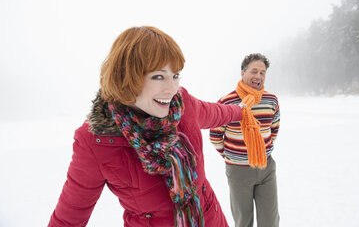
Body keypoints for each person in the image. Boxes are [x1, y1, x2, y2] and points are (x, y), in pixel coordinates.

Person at [48, 26, 244, 227]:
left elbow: (216, 112)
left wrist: (241, 112)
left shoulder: (183, 104)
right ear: (126, 77)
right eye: (158, 77)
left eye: (175, 75)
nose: (171, 89)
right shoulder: (96, 141)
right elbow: (69, 216)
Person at [209, 53, 280, 227]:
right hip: (238, 171)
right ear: (243, 73)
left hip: (266, 168)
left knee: (270, 221)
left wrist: (262, 151)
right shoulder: (227, 102)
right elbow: (215, 134)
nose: (258, 76)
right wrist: (232, 156)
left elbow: (273, 130)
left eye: (262, 73)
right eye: (254, 71)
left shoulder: (271, 100)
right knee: (243, 221)